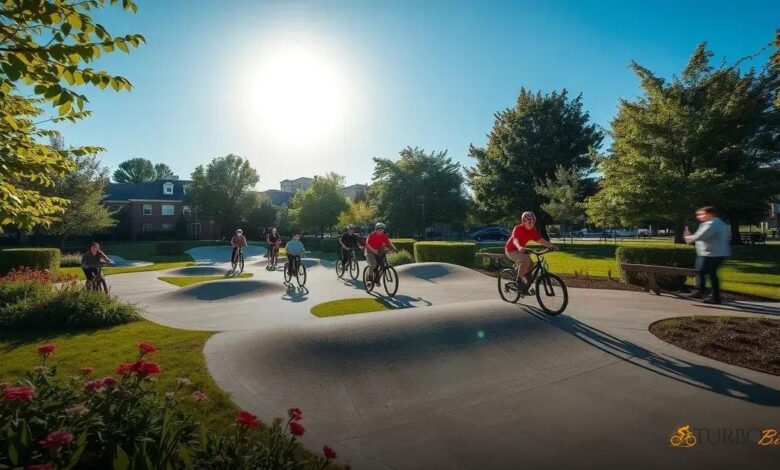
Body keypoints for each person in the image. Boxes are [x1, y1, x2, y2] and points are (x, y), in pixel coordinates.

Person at [684, 206, 731, 304]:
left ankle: (706, 293)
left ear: (709, 214)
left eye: (701, 214)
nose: (698, 217)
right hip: (716, 253)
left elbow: (701, 236)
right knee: (706, 273)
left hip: (710, 254)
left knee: (703, 272)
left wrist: (688, 237)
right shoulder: (721, 223)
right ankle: (705, 293)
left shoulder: (711, 224)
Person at [505, 212, 557, 290]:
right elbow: (515, 240)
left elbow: (540, 240)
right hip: (511, 250)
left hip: (521, 250)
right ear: (523, 222)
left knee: (531, 265)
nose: (532, 224)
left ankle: (524, 285)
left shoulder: (532, 231)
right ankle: (518, 281)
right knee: (525, 260)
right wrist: (519, 247)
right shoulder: (518, 228)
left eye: (533, 222)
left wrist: (551, 246)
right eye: (529, 222)